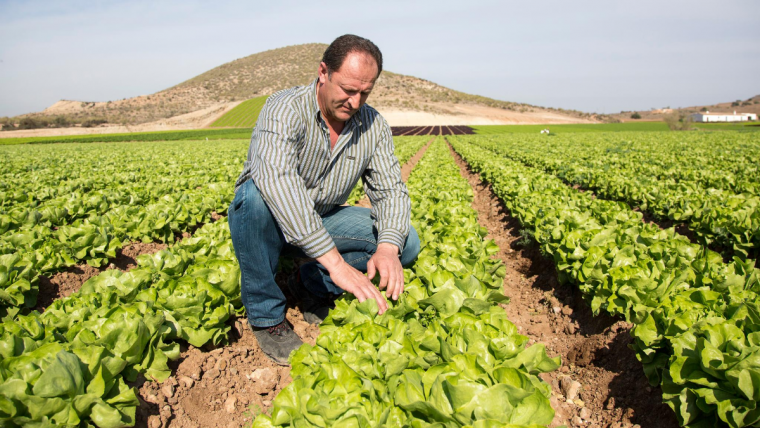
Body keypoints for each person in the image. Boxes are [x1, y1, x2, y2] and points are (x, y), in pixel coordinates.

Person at [228, 34, 420, 365]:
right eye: (348, 90)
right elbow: (278, 183)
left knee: (408, 242)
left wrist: (388, 248)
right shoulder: (284, 108)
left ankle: (310, 284)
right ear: (323, 72)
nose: (356, 102)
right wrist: (337, 264)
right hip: (270, 220)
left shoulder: (373, 126)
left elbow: (390, 190)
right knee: (255, 196)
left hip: (323, 218)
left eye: (365, 92)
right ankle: (266, 316)